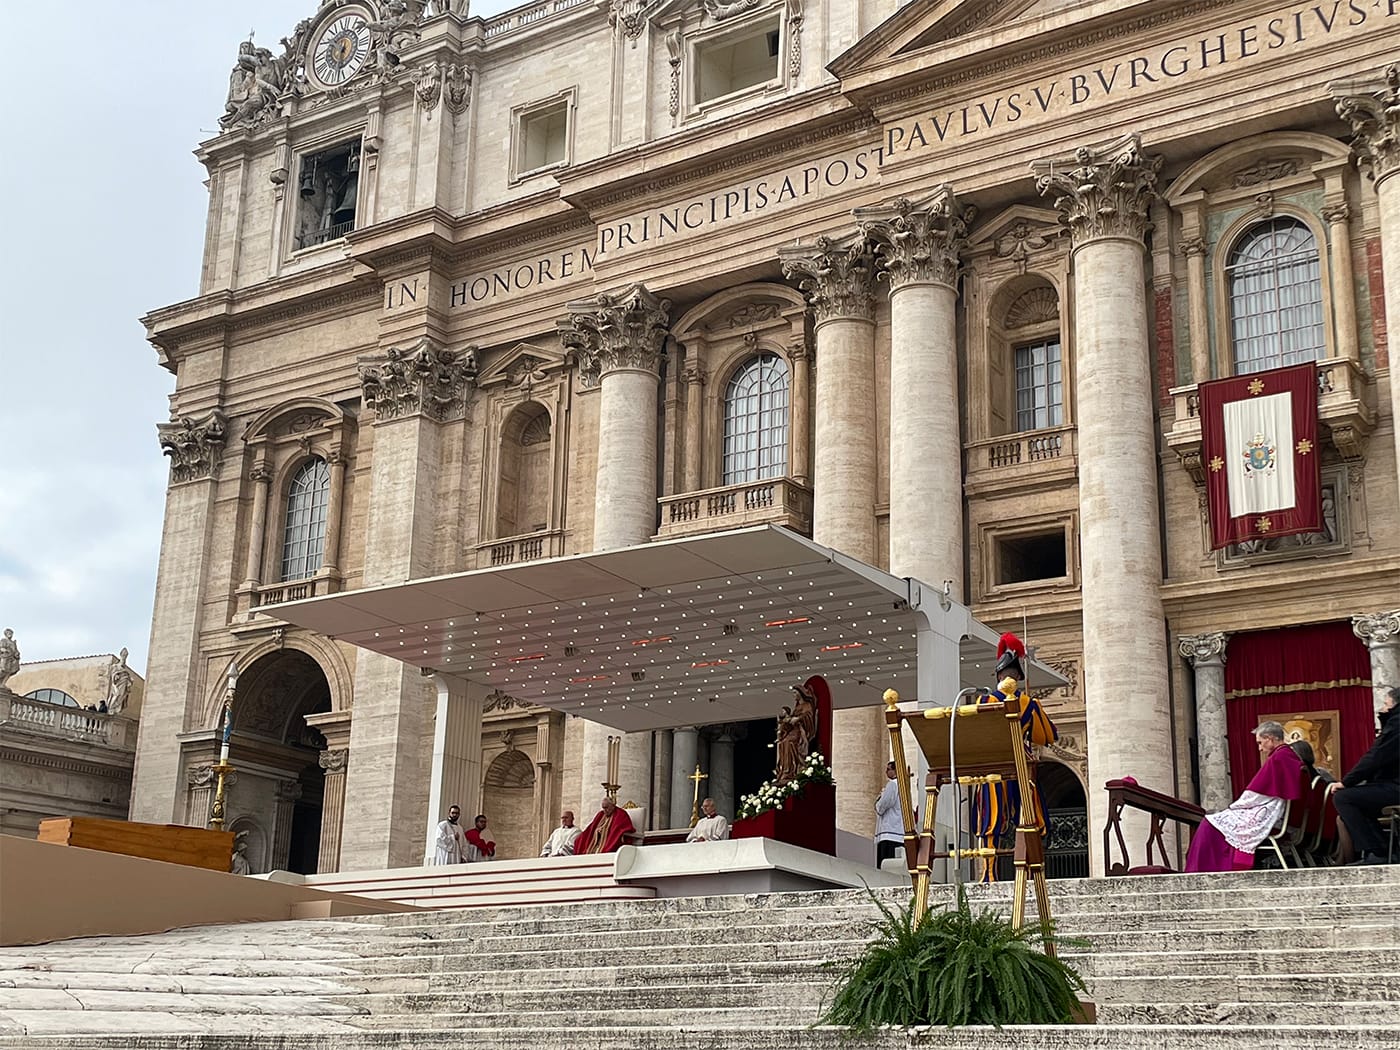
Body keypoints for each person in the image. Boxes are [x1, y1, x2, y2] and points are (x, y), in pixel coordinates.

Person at [969, 632, 1057, 881]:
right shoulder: (1029, 703)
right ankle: (1029, 870)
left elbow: (974, 733)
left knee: (990, 819)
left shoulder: (983, 700)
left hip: (992, 766)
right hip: (1021, 767)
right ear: (1018, 677)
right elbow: (1048, 736)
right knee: (1027, 816)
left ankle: (989, 874)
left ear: (998, 676)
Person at [1185, 721, 1305, 872]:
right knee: (1216, 822)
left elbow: (1255, 796)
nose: (1260, 748)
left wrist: (1235, 806)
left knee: (1209, 823)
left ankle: (1206, 868)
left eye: (1260, 743)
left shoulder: (1278, 758)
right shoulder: (1289, 755)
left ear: (1270, 738)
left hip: (1269, 813)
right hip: (1275, 812)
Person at [1329, 687, 1400, 866]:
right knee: (1360, 803)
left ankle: (1378, 852)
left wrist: (1346, 782)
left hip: (1395, 786)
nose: (1382, 709)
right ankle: (1385, 851)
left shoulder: (1397, 723)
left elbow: (1376, 756)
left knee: (1344, 798)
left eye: (1386, 704)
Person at [875, 760, 904, 865]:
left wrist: (877, 804)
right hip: (899, 832)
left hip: (889, 832)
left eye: (888, 769)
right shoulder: (904, 785)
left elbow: (884, 804)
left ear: (895, 770)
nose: (886, 772)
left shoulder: (893, 784)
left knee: (885, 864)